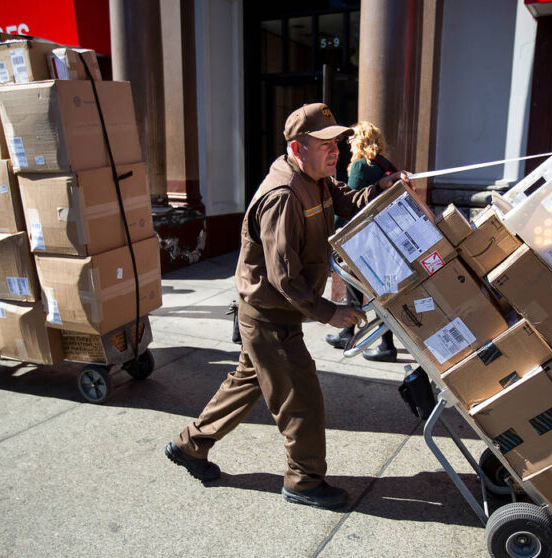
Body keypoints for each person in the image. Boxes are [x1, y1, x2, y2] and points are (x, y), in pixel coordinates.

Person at [165, 103, 400, 509]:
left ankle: (190, 445)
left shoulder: (317, 179)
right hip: (270, 316)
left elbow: (347, 202)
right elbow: (284, 277)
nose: (335, 151)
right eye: (324, 144)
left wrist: (381, 187)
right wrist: (330, 311)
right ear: (297, 148)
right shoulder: (284, 195)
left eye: (336, 143)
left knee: (246, 382)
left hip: (274, 311)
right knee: (301, 400)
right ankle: (303, 482)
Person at [325, 121, 399, 361]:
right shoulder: (385, 164)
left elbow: (350, 204)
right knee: (370, 287)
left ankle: (384, 345)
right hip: (383, 236)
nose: (348, 142)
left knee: (361, 285)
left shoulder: (360, 165)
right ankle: (350, 333)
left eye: (352, 138)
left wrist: (332, 229)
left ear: (362, 139)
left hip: (364, 238)